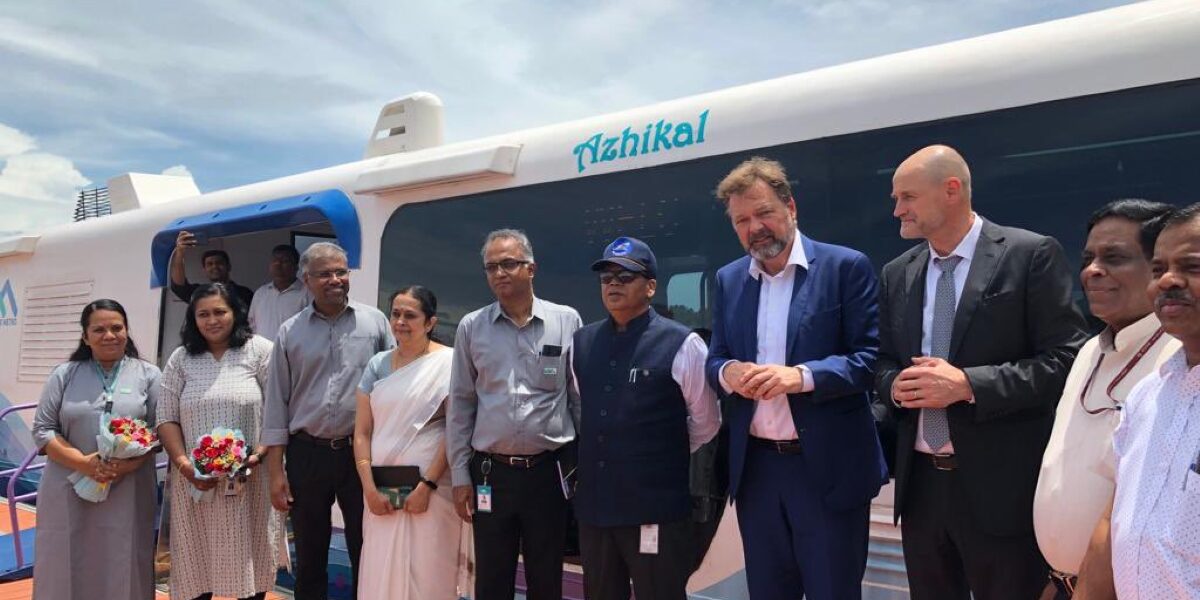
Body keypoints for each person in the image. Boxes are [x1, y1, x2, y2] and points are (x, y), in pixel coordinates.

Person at [875, 145, 1087, 599]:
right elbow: (882, 363)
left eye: (907, 197)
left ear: (951, 190)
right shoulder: (897, 273)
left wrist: (970, 385)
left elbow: (1067, 359)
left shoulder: (1030, 255)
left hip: (1002, 491)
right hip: (922, 493)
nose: (897, 210)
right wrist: (895, 387)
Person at [704, 157, 887, 600]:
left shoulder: (846, 267)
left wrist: (800, 377)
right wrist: (730, 372)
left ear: (791, 208)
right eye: (742, 220)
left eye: (763, 213)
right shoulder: (729, 280)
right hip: (758, 472)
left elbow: (870, 361)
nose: (755, 228)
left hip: (825, 468)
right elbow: (715, 359)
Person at [1032, 200, 1177, 599]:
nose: (1093, 271)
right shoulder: (1088, 351)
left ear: (1160, 268)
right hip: (1062, 584)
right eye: (1089, 258)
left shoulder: (1177, 362)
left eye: (1114, 258)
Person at [573, 237, 721, 600]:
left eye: (625, 276)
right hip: (597, 511)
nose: (613, 284)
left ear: (651, 286)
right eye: (607, 277)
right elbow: (584, 409)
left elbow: (706, 422)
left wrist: (658, 454)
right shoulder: (581, 343)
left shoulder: (682, 344)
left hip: (656, 511)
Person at [446, 229, 583, 600]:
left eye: (509, 264)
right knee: (492, 578)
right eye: (491, 267)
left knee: (545, 576)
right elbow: (460, 403)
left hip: (548, 473)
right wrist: (460, 475)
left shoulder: (566, 321)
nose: (499, 273)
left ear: (531, 268)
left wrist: (583, 467)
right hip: (491, 474)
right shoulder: (472, 327)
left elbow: (577, 397)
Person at [1072, 203, 1200, 599]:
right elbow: (1116, 524)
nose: (1167, 282)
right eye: (1159, 269)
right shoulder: (1148, 395)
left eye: (1192, 266)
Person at [262, 242, 394, 600]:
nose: (335, 279)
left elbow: (393, 388)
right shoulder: (290, 332)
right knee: (310, 551)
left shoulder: (376, 323)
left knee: (366, 546)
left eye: (341, 271)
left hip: (361, 455)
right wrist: (276, 473)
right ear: (307, 280)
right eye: (324, 274)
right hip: (308, 453)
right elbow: (276, 404)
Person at [157, 283, 286, 600]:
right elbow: (166, 417)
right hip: (196, 484)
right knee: (196, 566)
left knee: (251, 563)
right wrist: (187, 467)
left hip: (250, 481)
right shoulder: (182, 359)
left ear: (236, 313)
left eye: (220, 312)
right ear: (193, 318)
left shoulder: (260, 351)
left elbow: (278, 410)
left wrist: (258, 455)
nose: (212, 320)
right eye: (203, 314)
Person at [31, 299, 161, 600]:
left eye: (117, 328)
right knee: (65, 557)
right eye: (99, 329)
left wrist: (125, 465)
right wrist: (84, 463)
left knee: (124, 558)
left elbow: (159, 430)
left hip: (128, 487)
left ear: (127, 331)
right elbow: (43, 429)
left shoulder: (149, 375)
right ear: (85, 336)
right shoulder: (65, 374)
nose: (109, 335)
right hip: (68, 485)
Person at [353, 286, 469, 600]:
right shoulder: (377, 364)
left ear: (430, 322)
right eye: (396, 314)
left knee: (429, 572)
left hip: (432, 492)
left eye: (410, 315)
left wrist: (427, 485)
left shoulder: (449, 363)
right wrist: (369, 489)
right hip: (380, 490)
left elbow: (454, 428)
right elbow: (362, 431)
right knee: (380, 569)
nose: (401, 321)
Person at [169, 230, 254, 308]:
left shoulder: (244, 293)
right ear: (204, 269)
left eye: (219, 263)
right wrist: (180, 251)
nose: (214, 266)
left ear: (228, 266)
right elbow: (179, 286)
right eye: (210, 264)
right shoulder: (200, 293)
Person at [248, 244, 310, 341]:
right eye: (274, 261)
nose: (278, 265)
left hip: (293, 354)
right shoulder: (261, 293)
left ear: (296, 267)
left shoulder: (307, 293)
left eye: (284, 261)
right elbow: (251, 324)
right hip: (262, 354)